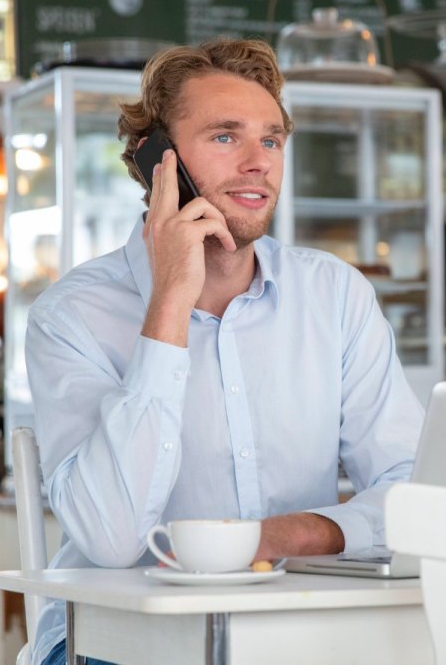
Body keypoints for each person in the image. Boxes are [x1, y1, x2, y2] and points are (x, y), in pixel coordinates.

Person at [24, 38, 425, 665]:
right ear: (156, 159)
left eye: (270, 140)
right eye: (224, 137)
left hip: (291, 627)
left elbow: (411, 484)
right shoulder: (72, 315)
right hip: (116, 642)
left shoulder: (334, 294)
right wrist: (170, 304)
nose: (258, 161)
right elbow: (111, 536)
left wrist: (280, 536)